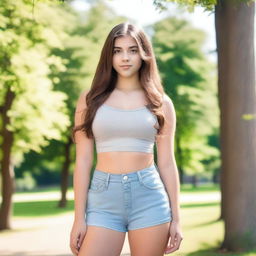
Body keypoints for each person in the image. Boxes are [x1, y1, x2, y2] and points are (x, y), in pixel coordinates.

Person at [69, 22, 183, 256]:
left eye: (132, 50)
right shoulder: (90, 100)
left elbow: (167, 163)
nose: (125, 58)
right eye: (117, 51)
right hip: (103, 199)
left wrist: (177, 219)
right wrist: (78, 219)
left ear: (144, 55)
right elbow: (82, 161)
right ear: (108, 56)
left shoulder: (161, 103)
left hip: (149, 196)